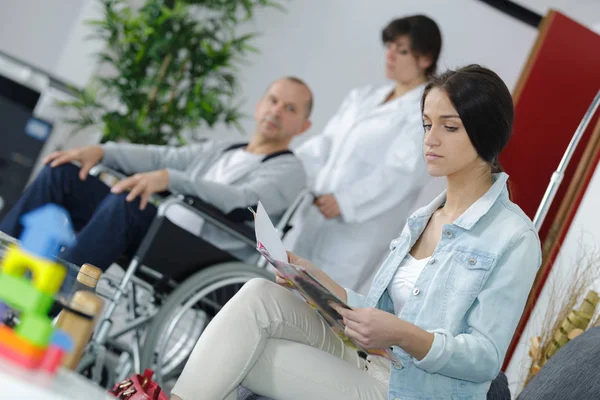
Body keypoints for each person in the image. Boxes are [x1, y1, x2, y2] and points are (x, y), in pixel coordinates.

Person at [168, 65, 542, 400]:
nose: (430, 139)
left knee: (247, 353)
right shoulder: (423, 218)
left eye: (449, 127)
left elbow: (485, 359)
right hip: (370, 358)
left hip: (409, 391)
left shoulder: (513, 237)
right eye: (427, 124)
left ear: (486, 133)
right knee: (257, 294)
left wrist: (401, 334)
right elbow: (379, 314)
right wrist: (321, 281)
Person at [0, 77, 313, 273]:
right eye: (273, 100)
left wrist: (170, 179)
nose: (276, 111)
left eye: (290, 109)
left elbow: (241, 200)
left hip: (200, 254)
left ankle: (53, 296)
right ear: (259, 105)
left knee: (127, 202)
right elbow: (164, 156)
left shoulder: (290, 170)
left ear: (303, 127)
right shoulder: (227, 148)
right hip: (159, 227)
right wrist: (101, 151)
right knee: (65, 173)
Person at [291, 15, 443, 294]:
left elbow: (400, 176)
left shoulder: (423, 114)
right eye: (389, 46)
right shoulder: (363, 97)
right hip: (314, 213)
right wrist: (288, 167)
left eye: (402, 50)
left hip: (355, 232)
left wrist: (346, 201)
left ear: (425, 59)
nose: (391, 55)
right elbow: (325, 144)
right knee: (277, 287)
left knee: (314, 306)